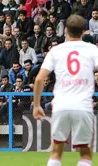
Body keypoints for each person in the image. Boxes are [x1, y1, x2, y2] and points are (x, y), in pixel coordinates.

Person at [33, 15, 97, 166]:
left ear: (66, 30)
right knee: (85, 155)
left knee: (56, 152)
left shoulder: (56, 51)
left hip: (61, 106)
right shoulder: (93, 49)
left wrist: (36, 105)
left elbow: (39, 79)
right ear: (83, 31)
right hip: (83, 106)